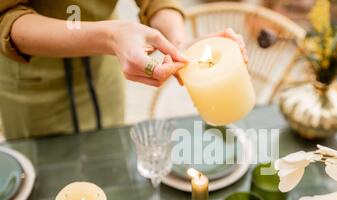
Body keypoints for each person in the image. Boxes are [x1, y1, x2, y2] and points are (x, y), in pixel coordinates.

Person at [0, 1, 247, 140]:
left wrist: (177, 42)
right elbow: (6, 16)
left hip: (104, 72)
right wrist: (110, 36)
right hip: (32, 86)